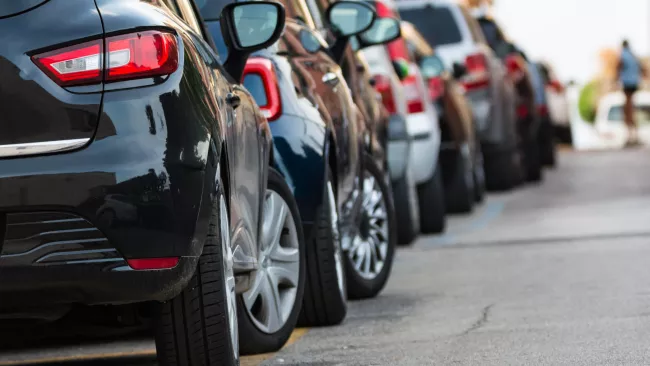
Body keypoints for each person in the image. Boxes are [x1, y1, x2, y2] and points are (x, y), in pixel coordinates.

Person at [617, 40, 645, 146]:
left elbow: (618, 65)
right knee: (631, 107)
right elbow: (641, 68)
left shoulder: (623, 54)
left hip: (627, 84)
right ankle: (634, 134)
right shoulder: (633, 55)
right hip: (634, 83)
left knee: (628, 109)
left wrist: (616, 79)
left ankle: (630, 135)